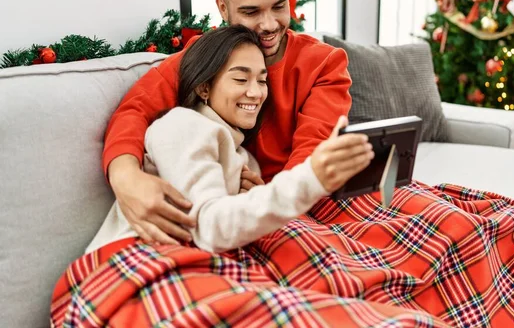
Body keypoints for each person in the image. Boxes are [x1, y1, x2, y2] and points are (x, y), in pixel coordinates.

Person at [103, 0, 355, 245]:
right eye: (251, 11)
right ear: (223, 8)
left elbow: (313, 153)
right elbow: (135, 110)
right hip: (238, 214)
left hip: (298, 199)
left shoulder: (325, 62)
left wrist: (264, 197)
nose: (269, 24)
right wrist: (127, 179)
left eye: (278, 6)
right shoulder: (204, 58)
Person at [87, 25, 374, 254]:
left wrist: (253, 196)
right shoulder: (182, 126)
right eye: (240, 79)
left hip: (193, 254)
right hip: (134, 259)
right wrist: (311, 179)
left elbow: (227, 222)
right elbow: (211, 227)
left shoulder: (243, 158)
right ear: (203, 88)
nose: (256, 93)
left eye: (262, 80)